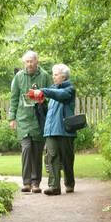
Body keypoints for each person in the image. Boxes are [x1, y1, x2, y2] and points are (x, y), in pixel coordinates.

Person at [30, 63, 76, 195]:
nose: (53, 77)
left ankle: (69, 183)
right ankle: (54, 187)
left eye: (55, 74)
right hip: (51, 130)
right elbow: (49, 99)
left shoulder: (69, 90)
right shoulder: (52, 89)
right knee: (52, 158)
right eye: (53, 74)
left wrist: (44, 91)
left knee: (67, 159)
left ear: (63, 77)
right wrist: (38, 98)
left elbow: (58, 94)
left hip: (65, 131)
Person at [8, 50, 48, 192]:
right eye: (27, 62)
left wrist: (44, 98)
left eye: (32, 61)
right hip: (23, 118)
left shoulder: (44, 76)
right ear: (24, 63)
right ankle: (26, 182)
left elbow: (50, 94)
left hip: (39, 118)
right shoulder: (18, 77)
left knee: (37, 150)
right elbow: (13, 98)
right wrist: (12, 118)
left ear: (37, 62)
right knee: (26, 148)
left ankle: (36, 183)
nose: (29, 64)